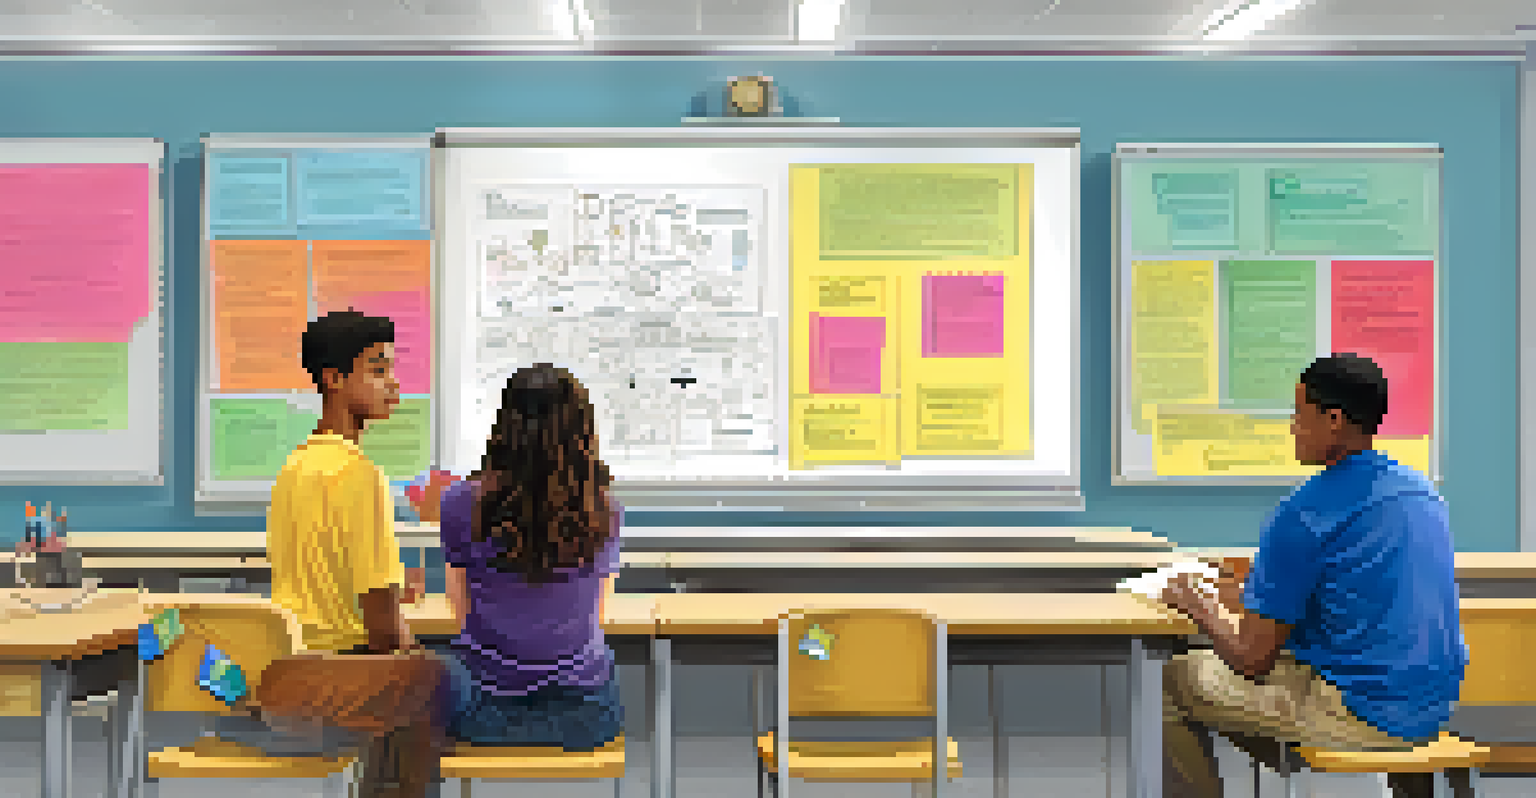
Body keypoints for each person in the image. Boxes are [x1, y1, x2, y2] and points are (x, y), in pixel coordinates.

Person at [1160, 354, 1465, 798]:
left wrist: (1199, 605)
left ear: (1334, 420)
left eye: (1299, 414)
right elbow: (1358, 594)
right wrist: (1252, 597)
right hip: (1433, 707)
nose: (1292, 427)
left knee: (1172, 680)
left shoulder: (1304, 513)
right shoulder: (1422, 494)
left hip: (1364, 714)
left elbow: (1252, 658)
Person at [215, 310, 442, 798]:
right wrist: (408, 639)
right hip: (337, 670)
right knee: (432, 677)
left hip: (286, 663)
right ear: (334, 380)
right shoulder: (361, 475)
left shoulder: (293, 468)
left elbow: (320, 576)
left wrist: (393, 600)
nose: (393, 386)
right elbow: (381, 627)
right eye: (378, 370)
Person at [432, 363, 625, 750]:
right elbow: (598, 613)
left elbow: (461, 611)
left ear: (504, 426)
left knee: (428, 676)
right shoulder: (602, 508)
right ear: (582, 432)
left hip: (482, 715)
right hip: (588, 720)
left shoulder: (459, 503)